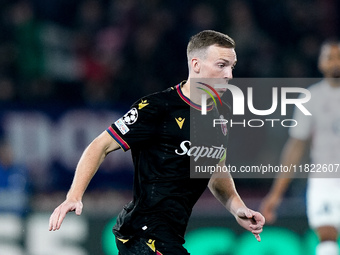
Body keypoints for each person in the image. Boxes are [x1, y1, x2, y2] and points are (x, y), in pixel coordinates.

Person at [49, 30, 265, 254]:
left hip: (169, 236)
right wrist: (73, 196)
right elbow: (100, 145)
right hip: (143, 234)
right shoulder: (157, 108)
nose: (229, 74)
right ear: (196, 64)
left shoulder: (221, 113)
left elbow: (215, 169)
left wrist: (238, 208)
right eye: (221, 65)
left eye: (232, 66)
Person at [260, 41, 340, 255]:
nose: (335, 63)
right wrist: (276, 194)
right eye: (330, 58)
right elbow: (295, 147)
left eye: (339, 57)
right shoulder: (311, 99)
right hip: (325, 178)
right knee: (326, 235)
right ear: (321, 63)